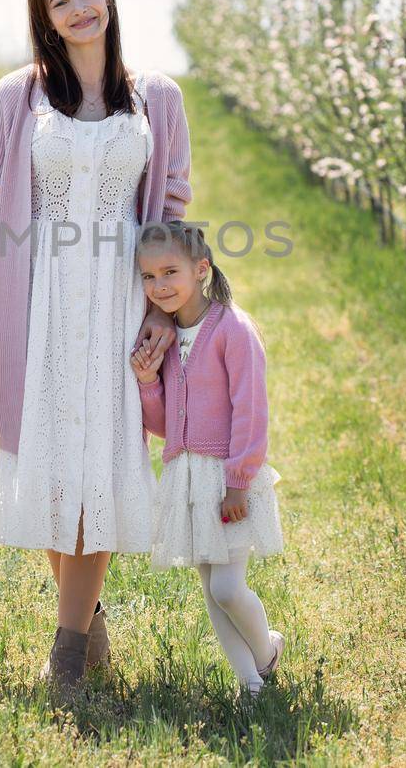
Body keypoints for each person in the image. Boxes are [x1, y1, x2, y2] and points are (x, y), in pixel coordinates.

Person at [0, 0, 193, 702]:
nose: (79, 9)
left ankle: (64, 660)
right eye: (60, 2)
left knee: (99, 457)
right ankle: (88, 621)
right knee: (48, 464)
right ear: (46, 20)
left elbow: (173, 213)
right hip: (41, 299)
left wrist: (164, 310)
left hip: (123, 299)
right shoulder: (17, 96)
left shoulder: (156, 97)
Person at [133, 220, 284, 695]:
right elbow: (165, 427)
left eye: (169, 272)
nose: (159, 286)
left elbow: (251, 410)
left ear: (201, 269)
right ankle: (251, 686)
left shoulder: (232, 330)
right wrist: (147, 382)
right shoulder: (167, 338)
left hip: (227, 475)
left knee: (227, 588)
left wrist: (239, 479)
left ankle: (268, 651)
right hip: (187, 477)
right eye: (148, 277)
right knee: (211, 593)